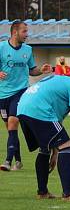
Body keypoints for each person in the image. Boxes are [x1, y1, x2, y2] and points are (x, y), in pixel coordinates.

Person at [17, 66, 70, 201]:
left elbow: (56, 123)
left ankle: (42, 192)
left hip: (23, 107)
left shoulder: (62, 80)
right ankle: (69, 194)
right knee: (66, 146)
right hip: (39, 110)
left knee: (45, 149)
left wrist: (56, 152)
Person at [0, 20, 52, 171]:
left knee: (13, 122)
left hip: (21, 91)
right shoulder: (1, 47)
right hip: (3, 95)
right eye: (24, 31)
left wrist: (41, 70)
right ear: (14, 32)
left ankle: (7, 161)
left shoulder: (28, 50)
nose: (26, 34)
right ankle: (18, 160)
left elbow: (32, 70)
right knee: (11, 129)